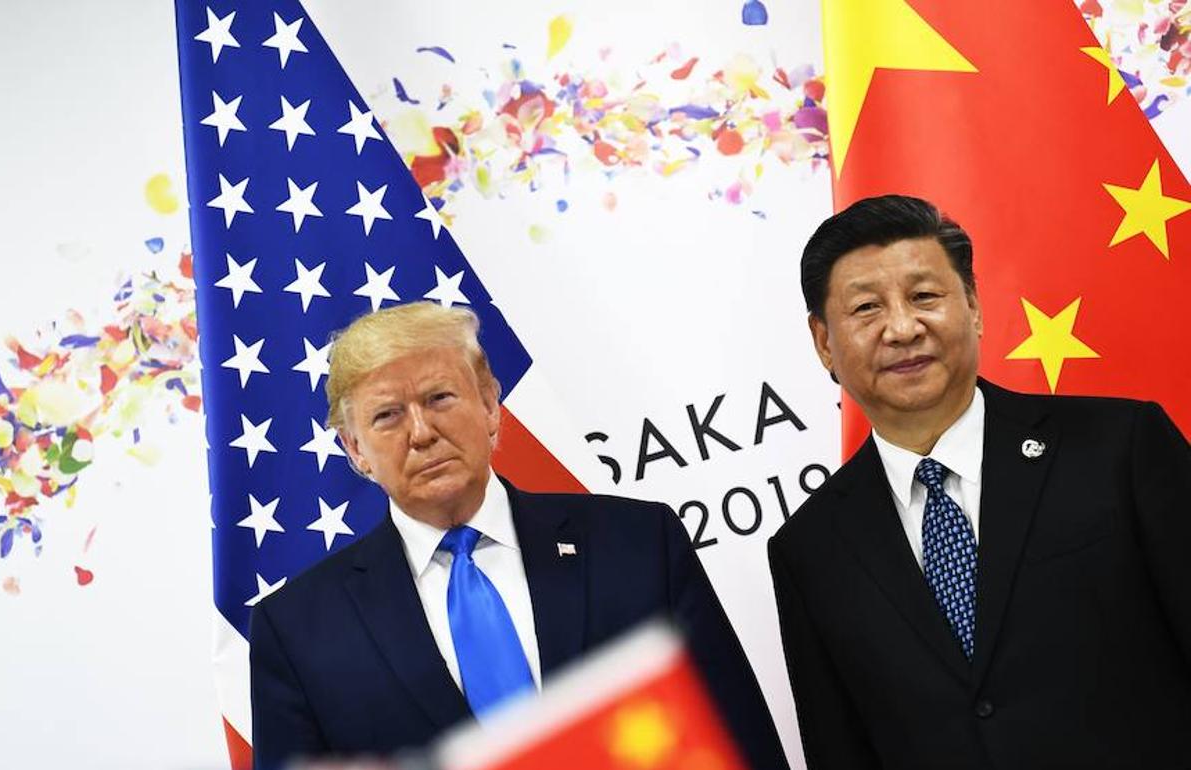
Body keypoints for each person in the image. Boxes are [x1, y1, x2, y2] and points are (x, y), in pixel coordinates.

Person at [250, 301, 786, 770]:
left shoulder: (640, 544)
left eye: (439, 398)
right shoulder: (298, 631)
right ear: (355, 449)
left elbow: (741, 740)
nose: (421, 432)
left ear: (489, 404)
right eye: (388, 416)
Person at [768, 195, 1191, 768]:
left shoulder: (1121, 447)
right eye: (866, 308)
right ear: (824, 344)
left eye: (924, 296)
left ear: (973, 307)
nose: (901, 327)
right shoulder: (809, 550)